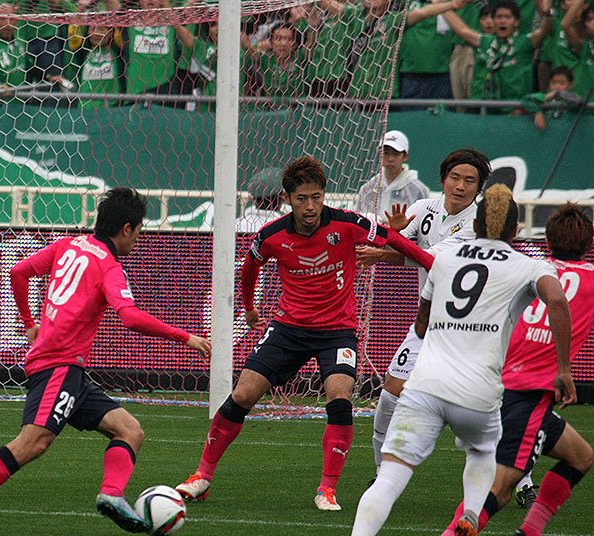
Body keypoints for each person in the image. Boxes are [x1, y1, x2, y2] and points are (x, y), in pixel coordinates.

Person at [324, 184, 574, 536]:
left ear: (474, 222)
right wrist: (563, 369)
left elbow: (421, 325)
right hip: (479, 392)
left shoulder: (445, 256)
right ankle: (471, 519)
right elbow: (557, 300)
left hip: (426, 385)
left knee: (389, 478)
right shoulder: (527, 266)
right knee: (482, 454)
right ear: (515, 231)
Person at [0, 187, 211, 536]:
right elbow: (129, 317)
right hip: (58, 366)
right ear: (126, 228)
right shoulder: (109, 266)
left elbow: (18, 272)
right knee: (33, 442)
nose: (138, 240)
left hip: (70, 370)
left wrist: (29, 324)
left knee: (129, 431)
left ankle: (112, 494)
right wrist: (186, 337)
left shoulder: (68, 245)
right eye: (139, 231)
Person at [175, 156, 435, 512]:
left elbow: (393, 239)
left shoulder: (348, 224)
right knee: (243, 394)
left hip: (337, 331)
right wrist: (249, 308)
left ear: (324, 194)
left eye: (316, 197)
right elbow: (250, 267)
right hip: (288, 329)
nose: (310, 206)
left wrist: (434, 265)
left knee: (339, 398)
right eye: (301, 198)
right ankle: (202, 476)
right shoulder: (271, 235)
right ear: (287, 198)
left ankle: (327, 489)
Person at [412, 203, 594, 536]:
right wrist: (564, 368)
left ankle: (529, 535)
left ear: (547, 241)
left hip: (494, 380)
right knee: (501, 487)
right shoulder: (586, 280)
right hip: (527, 393)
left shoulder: (529, 269)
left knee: (580, 456)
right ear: (589, 244)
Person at [357, 148, 490, 476]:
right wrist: (391, 239)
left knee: (485, 412)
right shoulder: (421, 209)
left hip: (468, 328)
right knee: (390, 394)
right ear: (443, 179)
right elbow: (405, 250)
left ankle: (520, 480)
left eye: (469, 181)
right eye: (455, 177)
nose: (460, 186)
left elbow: (430, 260)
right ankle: (381, 473)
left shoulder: (478, 223)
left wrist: (390, 242)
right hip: (427, 323)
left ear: (479, 187)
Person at [443, 0, 553, 103]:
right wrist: (443, 5)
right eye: (499, 17)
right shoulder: (484, 41)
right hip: (483, 107)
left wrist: (547, 14)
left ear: (516, 22)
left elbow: (544, 31)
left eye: (507, 17)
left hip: (514, 109)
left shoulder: (525, 43)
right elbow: (461, 29)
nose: (502, 21)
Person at [354, 130, 430, 218]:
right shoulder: (368, 188)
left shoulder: (418, 190)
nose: (390, 159)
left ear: (405, 157)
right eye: (386, 153)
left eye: (396, 154)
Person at [521, 65, 584, 131]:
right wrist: (538, 113)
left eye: (562, 83)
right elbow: (526, 99)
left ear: (570, 85)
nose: (557, 86)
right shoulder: (545, 96)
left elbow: (579, 102)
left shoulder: (573, 97)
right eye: (554, 83)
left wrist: (558, 94)